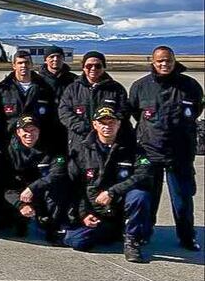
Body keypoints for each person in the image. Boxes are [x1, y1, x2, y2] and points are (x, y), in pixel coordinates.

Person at [128, 46, 203, 251]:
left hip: (180, 153)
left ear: (174, 61)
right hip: (149, 151)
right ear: (153, 62)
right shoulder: (141, 86)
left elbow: (195, 111)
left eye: (168, 60)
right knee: (148, 197)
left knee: (183, 199)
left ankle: (187, 237)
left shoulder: (190, 86)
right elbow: (135, 113)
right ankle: (143, 234)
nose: (164, 64)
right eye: (160, 61)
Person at [65, 106, 153, 263]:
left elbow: (144, 174)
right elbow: (75, 187)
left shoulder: (133, 149)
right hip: (95, 209)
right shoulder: (82, 150)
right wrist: (84, 214)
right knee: (76, 241)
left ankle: (131, 241)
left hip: (120, 205)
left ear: (119, 124)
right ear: (95, 125)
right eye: (102, 123)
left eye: (111, 122)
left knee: (140, 195)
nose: (107, 126)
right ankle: (111, 231)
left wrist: (112, 192)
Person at [0, 115, 68, 243]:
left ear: (39, 131)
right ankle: (17, 221)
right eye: (25, 131)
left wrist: (32, 188)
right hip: (19, 193)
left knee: (58, 188)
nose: (29, 134)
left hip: (41, 191)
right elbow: (6, 184)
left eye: (33, 130)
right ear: (18, 132)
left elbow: (58, 174)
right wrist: (20, 205)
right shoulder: (9, 151)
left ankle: (52, 226)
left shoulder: (52, 147)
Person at [59, 51, 130, 151]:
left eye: (98, 66)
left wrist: (103, 128)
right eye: (89, 66)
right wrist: (84, 127)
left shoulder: (116, 88)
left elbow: (123, 112)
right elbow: (64, 112)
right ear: (83, 68)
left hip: (108, 140)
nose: (93, 69)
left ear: (103, 67)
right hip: (80, 140)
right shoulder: (72, 89)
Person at [0, 50, 60, 150]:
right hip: (10, 143)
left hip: (39, 144)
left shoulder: (45, 88)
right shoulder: (2, 89)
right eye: (20, 63)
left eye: (26, 62)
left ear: (31, 65)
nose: (23, 65)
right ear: (14, 65)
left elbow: (52, 116)